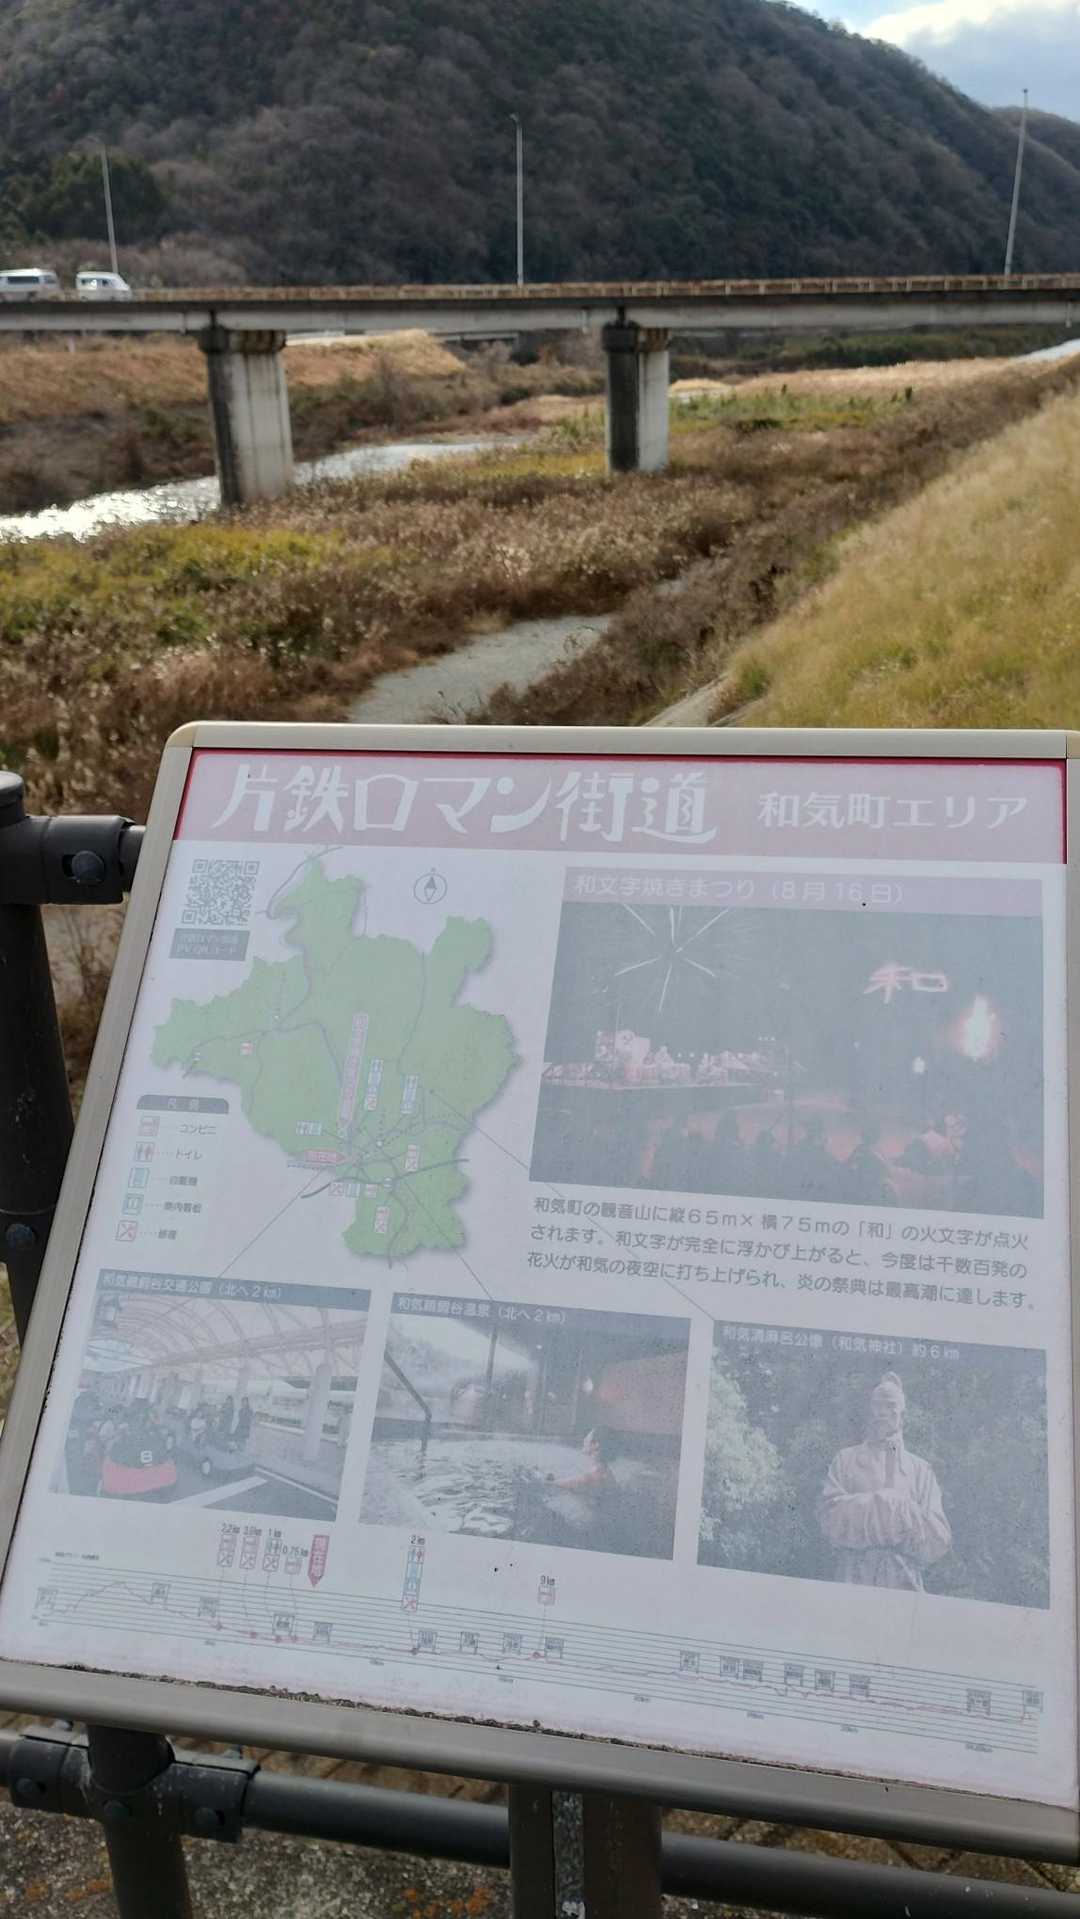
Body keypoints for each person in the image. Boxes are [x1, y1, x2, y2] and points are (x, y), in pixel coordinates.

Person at [817, 1373, 951, 1590]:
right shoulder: (846, 1460)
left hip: (904, 1582)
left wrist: (901, 1509)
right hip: (853, 1577)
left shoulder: (921, 1471)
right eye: (877, 1405)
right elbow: (829, 1518)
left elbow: (938, 1539)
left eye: (890, 1406)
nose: (881, 1412)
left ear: (902, 1413)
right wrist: (881, 1505)